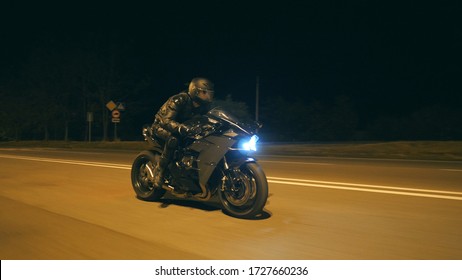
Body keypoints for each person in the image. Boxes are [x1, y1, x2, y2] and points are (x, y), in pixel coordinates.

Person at [150, 77, 215, 188]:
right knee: (173, 140)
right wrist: (180, 127)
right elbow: (165, 120)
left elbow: (209, 118)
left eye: (209, 93)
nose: (207, 96)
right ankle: (160, 170)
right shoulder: (179, 100)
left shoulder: (205, 106)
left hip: (186, 130)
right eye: (204, 93)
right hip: (161, 127)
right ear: (195, 91)